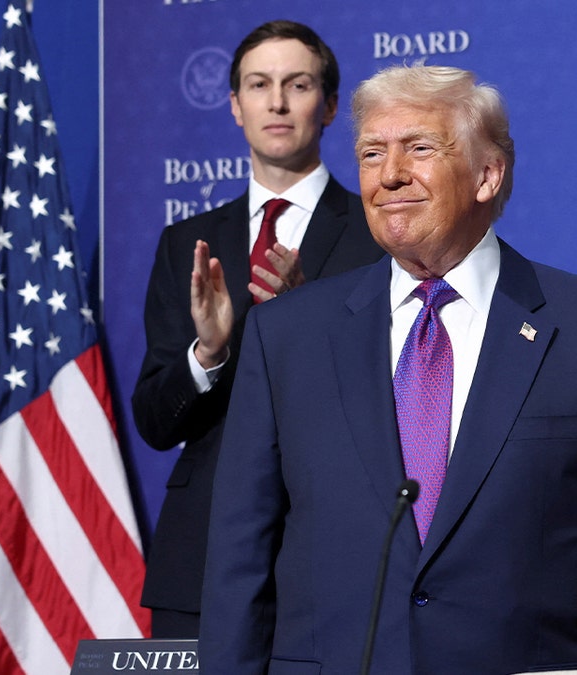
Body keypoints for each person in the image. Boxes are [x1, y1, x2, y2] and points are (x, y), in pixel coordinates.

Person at [199, 64, 577, 673]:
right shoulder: (286, 337)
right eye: (370, 154)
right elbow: (239, 556)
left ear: (487, 175)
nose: (389, 175)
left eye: (418, 149)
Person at [131, 20, 384, 638]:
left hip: (338, 549)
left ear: (327, 107)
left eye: (297, 85)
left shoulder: (379, 234)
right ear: (235, 107)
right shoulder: (185, 243)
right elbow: (156, 421)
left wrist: (309, 320)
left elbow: (403, 395)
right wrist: (208, 352)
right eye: (258, 85)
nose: (276, 102)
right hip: (204, 554)